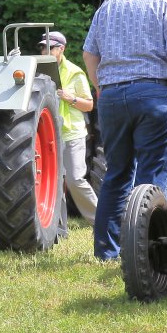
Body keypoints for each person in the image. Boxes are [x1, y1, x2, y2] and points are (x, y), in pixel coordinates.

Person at [81, 0, 167, 261]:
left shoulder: (108, 7)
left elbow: (89, 54)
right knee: (153, 177)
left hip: (112, 99)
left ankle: (107, 252)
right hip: (154, 96)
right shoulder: (165, 6)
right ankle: (148, 251)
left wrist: (101, 87)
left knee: (116, 175)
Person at [40, 30, 98, 218]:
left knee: (74, 180)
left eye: (49, 48)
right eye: (42, 48)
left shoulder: (75, 73)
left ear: (61, 49)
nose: (45, 51)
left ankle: (101, 221)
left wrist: (70, 98)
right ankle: (58, 228)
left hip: (73, 134)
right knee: (54, 183)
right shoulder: (39, 71)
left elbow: (89, 105)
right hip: (50, 135)